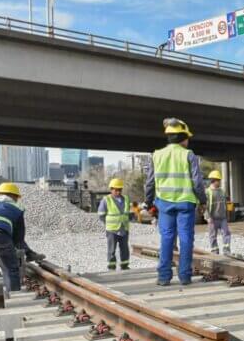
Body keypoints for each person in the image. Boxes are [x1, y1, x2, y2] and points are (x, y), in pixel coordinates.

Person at [145, 118, 207, 286]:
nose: (188, 140)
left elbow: (150, 182)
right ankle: (185, 276)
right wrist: (203, 200)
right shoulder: (189, 155)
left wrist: (148, 201)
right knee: (186, 238)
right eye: (187, 137)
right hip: (186, 203)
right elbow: (197, 182)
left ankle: (164, 277)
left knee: (166, 238)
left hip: (164, 204)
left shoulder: (156, 155)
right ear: (182, 137)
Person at [0, 183, 44, 295]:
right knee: (11, 268)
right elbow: (18, 238)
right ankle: (13, 295)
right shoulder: (17, 209)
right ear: (14, 196)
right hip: (0, 236)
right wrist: (28, 253)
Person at [98, 178, 131, 270]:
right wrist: (107, 223)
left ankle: (125, 265)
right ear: (111, 189)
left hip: (124, 228)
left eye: (120, 190)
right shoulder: (106, 200)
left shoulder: (126, 199)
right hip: (112, 229)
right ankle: (111, 266)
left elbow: (128, 213)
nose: (118, 192)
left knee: (124, 248)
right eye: (116, 190)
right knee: (111, 249)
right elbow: (101, 215)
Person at [204, 170, 231, 255]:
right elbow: (205, 206)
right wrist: (208, 217)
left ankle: (226, 250)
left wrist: (227, 215)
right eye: (218, 180)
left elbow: (225, 204)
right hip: (213, 218)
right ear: (213, 180)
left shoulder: (222, 191)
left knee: (226, 233)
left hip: (222, 218)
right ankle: (215, 251)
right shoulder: (207, 192)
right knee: (212, 235)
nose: (219, 182)